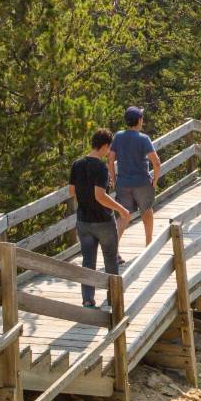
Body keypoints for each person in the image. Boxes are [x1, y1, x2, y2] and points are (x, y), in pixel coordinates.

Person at [68, 128, 131, 308]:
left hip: (83, 221)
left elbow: (71, 191)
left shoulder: (77, 164)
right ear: (104, 146)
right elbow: (100, 196)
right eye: (109, 147)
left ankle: (88, 299)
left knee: (88, 262)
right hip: (103, 221)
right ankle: (114, 298)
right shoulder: (101, 167)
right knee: (110, 260)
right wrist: (122, 210)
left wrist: (84, 192)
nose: (109, 151)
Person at [111, 106, 163, 247]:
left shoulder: (118, 137)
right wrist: (155, 181)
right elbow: (156, 163)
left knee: (123, 216)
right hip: (142, 182)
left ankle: (113, 249)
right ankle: (148, 243)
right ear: (139, 120)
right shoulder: (143, 139)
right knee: (146, 210)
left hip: (123, 183)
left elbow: (110, 159)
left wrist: (113, 179)